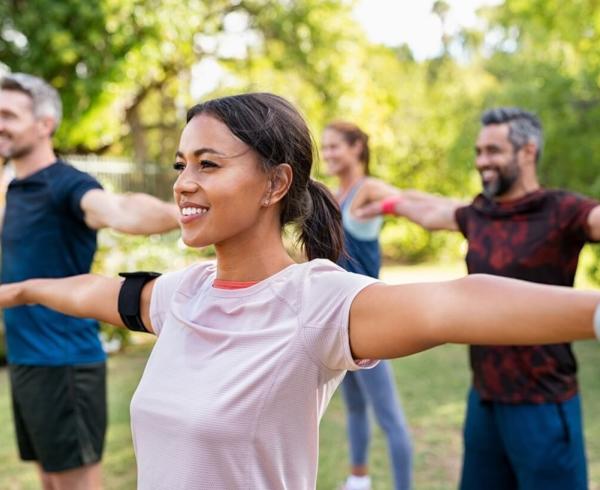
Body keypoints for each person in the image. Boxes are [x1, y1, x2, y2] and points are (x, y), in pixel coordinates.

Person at [0, 94, 598, 490]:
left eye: (208, 164)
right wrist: (22, 289)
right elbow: (96, 291)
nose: (184, 183)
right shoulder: (184, 295)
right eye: (181, 164)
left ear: (276, 183)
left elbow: (458, 302)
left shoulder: (316, 302)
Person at [357, 107, 600, 490]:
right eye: (478, 152)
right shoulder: (479, 213)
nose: (481, 161)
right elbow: (430, 209)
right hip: (484, 400)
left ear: (527, 152)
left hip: (543, 404)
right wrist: (384, 204)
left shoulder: (563, 211)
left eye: (493, 151)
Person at [0, 73, 180, 490]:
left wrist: (186, 212)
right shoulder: (18, 188)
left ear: (44, 124)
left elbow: (120, 211)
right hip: (30, 361)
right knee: (50, 480)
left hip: (64, 362)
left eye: (9, 114)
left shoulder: (68, 184)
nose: (0, 123)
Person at [321, 121, 412, 490]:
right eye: (324, 148)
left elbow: (406, 202)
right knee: (355, 407)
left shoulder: (368, 189)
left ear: (357, 147)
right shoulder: (333, 194)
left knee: (388, 416)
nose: (327, 154)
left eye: (334, 147)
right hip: (339, 319)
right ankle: (358, 480)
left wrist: (387, 208)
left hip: (370, 318)